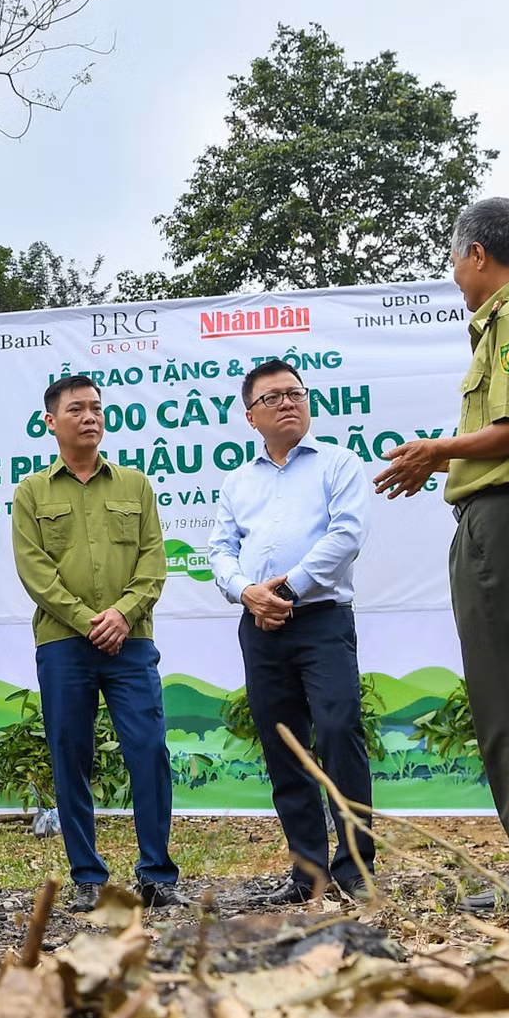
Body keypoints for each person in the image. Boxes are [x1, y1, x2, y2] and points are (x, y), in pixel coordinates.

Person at [374, 197, 509, 912]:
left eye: (452, 255)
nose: (453, 271)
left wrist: (439, 449)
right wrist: (447, 458)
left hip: (506, 525)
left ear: (477, 254)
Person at [11, 374, 184, 913]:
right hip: (64, 645)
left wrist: (121, 615)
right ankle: (87, 875)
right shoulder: (31, 491)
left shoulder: (135, 485)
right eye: (77, 409)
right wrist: (90, 620)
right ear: (51, 422)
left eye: (96, 408)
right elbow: (35, 572)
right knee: (71, 755)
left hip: (131, 643)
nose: (90, 417)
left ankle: (157, 874)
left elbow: (154, 564)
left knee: (149, 751)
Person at [207, 361, 375, 906]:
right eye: (273, 397)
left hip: (321, 620)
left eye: (295, 393)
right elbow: (219, 550)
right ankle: (308, 873)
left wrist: (289, 590)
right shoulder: (237, 481)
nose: (288, 403)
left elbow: (347, 535)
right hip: (259, 627)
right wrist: (244, 591)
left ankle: (354, 869)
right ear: (250, 415)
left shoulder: (339, 463)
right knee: (286, 749)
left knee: (338, 730)